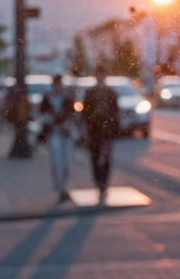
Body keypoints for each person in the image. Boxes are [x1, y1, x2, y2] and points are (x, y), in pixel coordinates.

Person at [81, 64, 119, 204]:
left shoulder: (111, 93)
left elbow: (115, 112)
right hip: (94, 129)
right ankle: (98, 181)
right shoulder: (90, 93)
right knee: (95, 156)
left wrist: (115, 130)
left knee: (106, 156)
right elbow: (86, 112)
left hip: (107, 130)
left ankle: (103, 182)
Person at [38, 74, 77, 203]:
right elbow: (43, 116)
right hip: (53, 134)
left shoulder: (67, 99)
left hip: (66, 134)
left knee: (67, 163)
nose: (59, 87)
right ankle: (59, 188)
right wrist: (54, 123)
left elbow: (72, 114)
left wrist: (68, 125)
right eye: (57, 84)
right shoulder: (47, 99)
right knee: (57, 162)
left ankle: (64, 186)